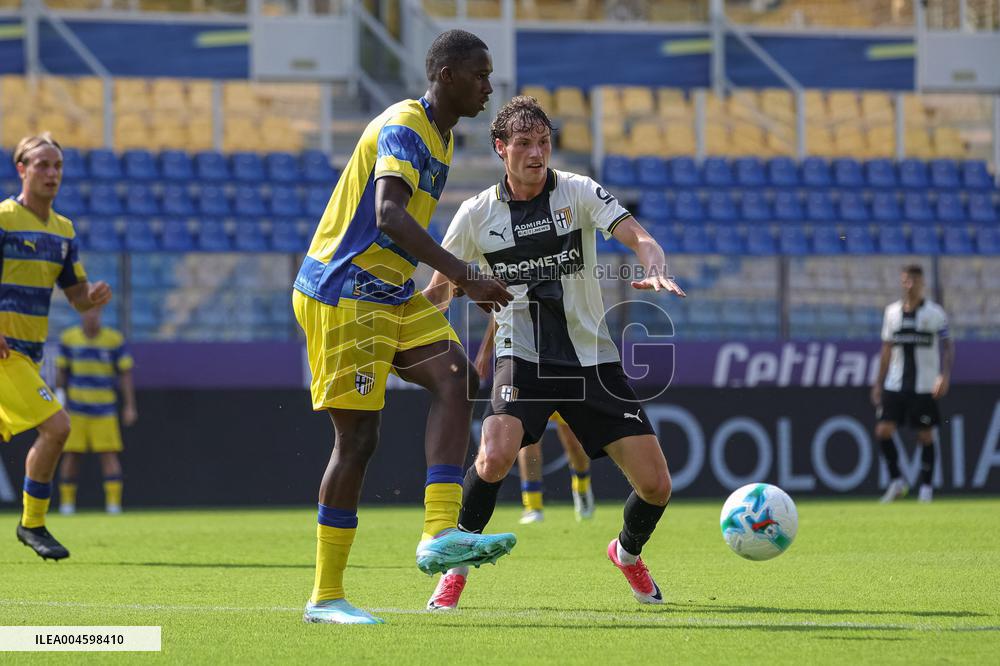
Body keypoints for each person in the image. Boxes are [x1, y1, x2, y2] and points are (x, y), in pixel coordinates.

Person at [422, 96, 685, 611]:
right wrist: (393, 318)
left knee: (656, 486)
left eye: (543, 142)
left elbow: (640, 237)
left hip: (593, 360)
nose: (537, 153)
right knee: (494, 456)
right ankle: (454, 571)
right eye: (524, 144)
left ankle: (626, 553)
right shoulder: (477, 215)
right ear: (501, 149)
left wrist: (655, 263)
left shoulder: (578, 191)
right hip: (522, 356)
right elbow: (440, 290)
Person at [291, 30, 517, 625]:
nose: (489, 87)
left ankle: (439, 535)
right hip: (345, 290)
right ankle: (325, 597)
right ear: (444, 74)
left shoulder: (441, 136)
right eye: (479, 74)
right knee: (358, 443)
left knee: (455, 380)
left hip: (388, 289)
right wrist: (465, 277)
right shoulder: (406, 126)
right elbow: (389, 215)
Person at [0, 133, 112, 560]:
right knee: (57, 426)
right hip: (4, 352)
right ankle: (32, 524)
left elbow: (76, 295)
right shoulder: (5, 218)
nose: (51, 173)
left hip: (28, 354)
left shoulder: (63, 230)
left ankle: (32, 522)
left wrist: (93, 296)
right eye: (42, 164)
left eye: (57, 166)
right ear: (22, 169)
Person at [474, 318, 594, 524]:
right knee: (527, 439)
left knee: (574, 444)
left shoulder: (563, 287)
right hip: (525, 367)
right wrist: (485, 353)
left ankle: (582, 486)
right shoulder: (516, 287)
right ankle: (533, 505)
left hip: (562, 368)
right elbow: (499, 311)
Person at [871, 264, 953, 504]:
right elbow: (886, 349)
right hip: (895, 384)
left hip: (924, 385)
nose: (910, 285)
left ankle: (926, 489)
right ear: (901, 282)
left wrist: (944, 375)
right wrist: (878, 383)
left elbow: (947, 346)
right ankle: (897, 482)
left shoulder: (936, 313)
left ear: (922, 283)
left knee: (925, 435)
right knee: (883, 431)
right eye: (906, 280)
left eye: (914, 280)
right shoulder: (892, 313)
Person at [56, 306, 137, 515]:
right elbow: (61, 372)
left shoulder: (113, 340)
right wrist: (60, 400)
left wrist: (129, 406)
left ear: (100, 315)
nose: (91, 316)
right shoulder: (69, 338)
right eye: (87, 312)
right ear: (82, 314)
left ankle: (113, 505)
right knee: (72, 455)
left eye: (95, 313)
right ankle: (66, 505)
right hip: (76, 409)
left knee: (108, 454)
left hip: (104, 409)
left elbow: (125, 373)